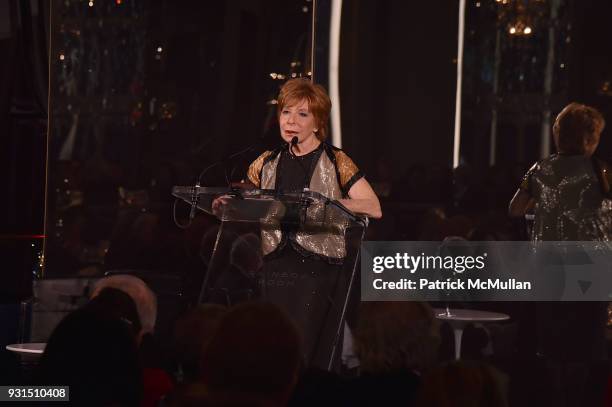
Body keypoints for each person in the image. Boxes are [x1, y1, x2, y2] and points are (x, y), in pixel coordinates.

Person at [214, 78, 381, 369]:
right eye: (286, 112)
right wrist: (225, 203)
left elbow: (373, 207)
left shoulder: (336, 161)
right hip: (276, 267)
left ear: (317, 123)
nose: (291, 121)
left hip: (318, 271)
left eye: (302, 114)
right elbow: (247, 201)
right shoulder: (265, 162)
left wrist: (325, 204)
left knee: (308, 349)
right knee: (276, 349)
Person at [508, 102, 610, 406]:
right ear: (590, 137)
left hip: (549, 269)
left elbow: (514, 209)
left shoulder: (540, 169)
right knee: (584, 346)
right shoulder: (600, 170)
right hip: (590, 271)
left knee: (553, 346)